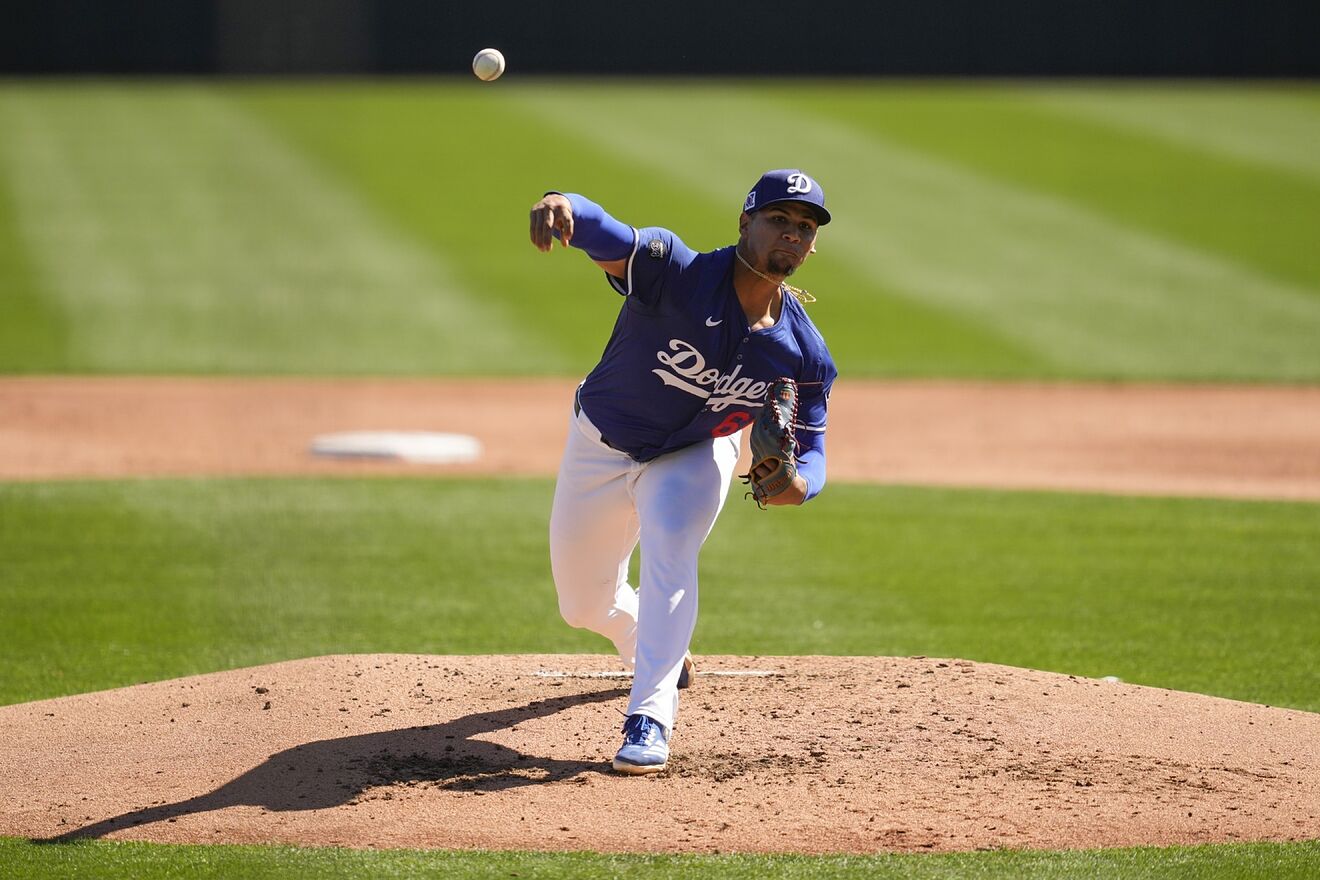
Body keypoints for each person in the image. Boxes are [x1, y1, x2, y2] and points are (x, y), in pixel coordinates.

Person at [529, 169, 838, 774]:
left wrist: (801, 485)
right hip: (600, 445)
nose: (792, 235)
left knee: (672, 548)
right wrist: (561, 203)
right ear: (746, 222)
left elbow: (815, 452)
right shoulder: (676, 271)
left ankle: (650, 716)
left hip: (696, 453)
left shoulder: (803, 353)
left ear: (813, 244)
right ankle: (635, 637)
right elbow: (604, 232)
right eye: (779, 219)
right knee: (582, 605)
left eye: (805, 227)